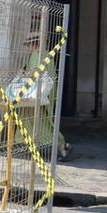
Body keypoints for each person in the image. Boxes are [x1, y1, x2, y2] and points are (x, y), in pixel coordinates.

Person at [25, 31, 70, 161]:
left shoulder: (42, 55)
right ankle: (33, 147)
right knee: (31, 119)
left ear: (34, 44)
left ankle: (62, 145)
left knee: (43, 120)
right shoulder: (38, 55)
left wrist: (25, 74)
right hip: (36, 93)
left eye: (29, 44)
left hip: (41, 93)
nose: (28, 47)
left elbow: (37, 73)